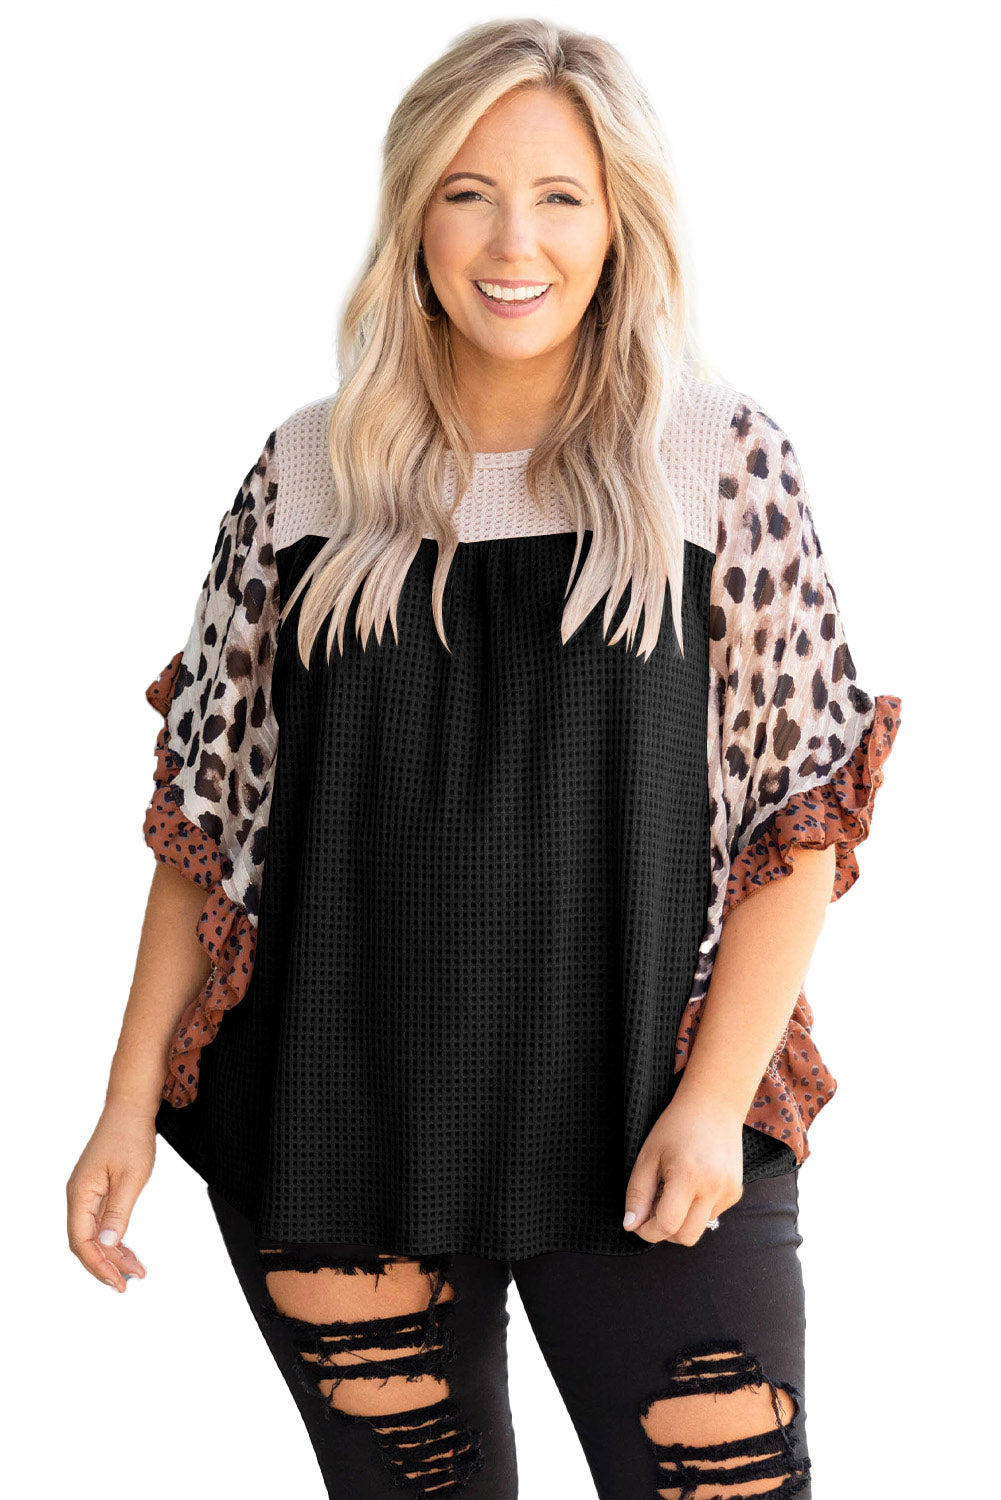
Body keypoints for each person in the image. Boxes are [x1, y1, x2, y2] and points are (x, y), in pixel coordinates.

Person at [66, 18, 902, 1499]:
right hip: (340, 1120)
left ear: (619, 220)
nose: (514, 241)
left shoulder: (717, 459)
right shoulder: (310, 473)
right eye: (468, 193)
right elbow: (210, 819)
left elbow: (798, 819)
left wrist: (715, 1102)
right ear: (414, 218)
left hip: (641, 1118)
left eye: (560, 196)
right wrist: (125, 1101)